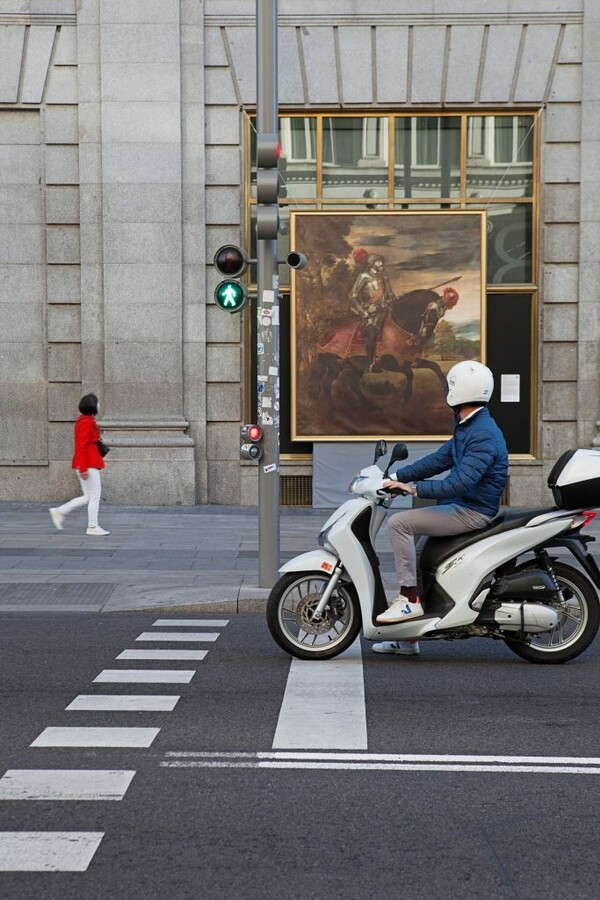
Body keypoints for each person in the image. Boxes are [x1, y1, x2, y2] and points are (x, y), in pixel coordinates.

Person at [373, 360, 508, 656]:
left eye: (450, 386)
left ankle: (409, 600)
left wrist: (414, 489)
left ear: (458, 391)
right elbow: (439, 459)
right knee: (421, 554)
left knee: (400, 524)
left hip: (472, 511)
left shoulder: (482, 432)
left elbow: (460, 483)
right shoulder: (468, 424)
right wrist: (395, 477)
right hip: (461, 504)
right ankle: (408, 637)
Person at [49, 393, 110, 536]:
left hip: (88, 463)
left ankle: (60, 511)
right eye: (97, 402)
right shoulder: (86, 422)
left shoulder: (87, 420)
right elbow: (81, 445)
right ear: (92, 405)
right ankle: (93, 526)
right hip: (88, 464)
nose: (98, 405)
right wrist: (82, 468)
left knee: (88, 496)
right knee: (95, 495)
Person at [348, 251, 396, 373]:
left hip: (385, 312)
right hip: (370, 315)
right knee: (372, 335)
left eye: (382, 261)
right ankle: (370, 364)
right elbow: (352, 296)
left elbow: (390, 294)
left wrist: (391, 298)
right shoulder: (363, 277)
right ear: (371, 263)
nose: (381, 264)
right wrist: (364, 312)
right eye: (378, 261)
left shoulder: (384, 278)